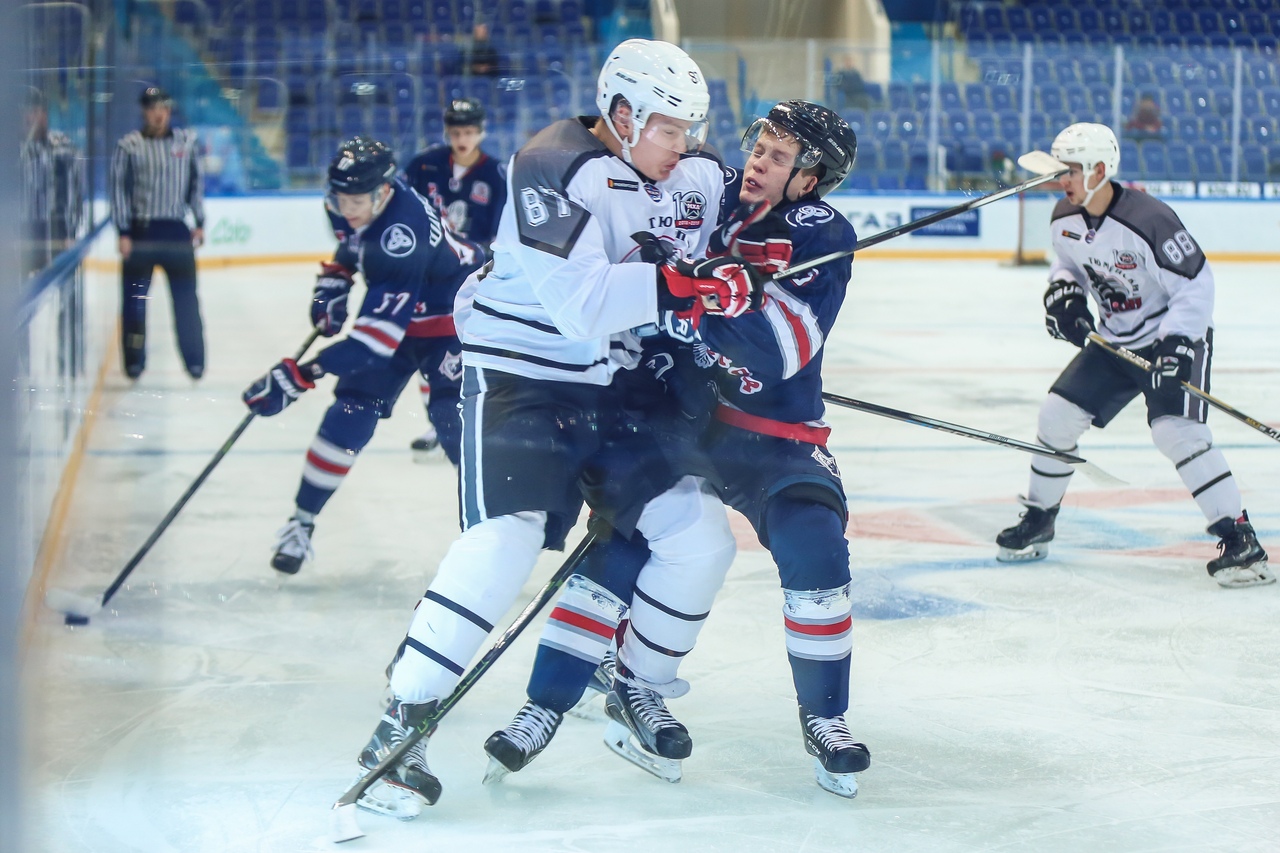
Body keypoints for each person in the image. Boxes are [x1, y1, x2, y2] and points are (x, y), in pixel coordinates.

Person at [347, 38, 763, 820]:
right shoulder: (551, 165)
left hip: (621, 388)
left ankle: (636, 684)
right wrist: (688, 287)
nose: (685, 144)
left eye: (691, 128)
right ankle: (401, 719)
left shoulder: (696, 172)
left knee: (699, 537)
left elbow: (761, 226)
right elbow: (583, 305)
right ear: (622, 114)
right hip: (523, 379)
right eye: (671, 127)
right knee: (506, 537)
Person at [482, 100, 869, 798]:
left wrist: (709, 301)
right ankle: (547, 704)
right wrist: (669, 289)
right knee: (624, 540)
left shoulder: (819, 232)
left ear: (810, 181)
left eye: (780, 157)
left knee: (815, 541)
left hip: (770, 435)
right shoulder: (709, 190)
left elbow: (776, 351)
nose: (759, 161)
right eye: (761, 146)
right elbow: (629, 269)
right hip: (679, 420)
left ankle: (825, 717)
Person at [995, 122, 1271, 589]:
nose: (1062, 180)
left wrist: (1177, 345)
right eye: (1060, 170)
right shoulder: (1064, 217)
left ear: (1100, 171)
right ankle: (1040, 518)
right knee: (1056, 417)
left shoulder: (1149, 219)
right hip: (1114, 341)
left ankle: (1240, 539)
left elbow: (1196, 284)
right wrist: (1064, 294)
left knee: (1176, 431)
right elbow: (1068, 263)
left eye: (1071, 170)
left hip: (1170, 336)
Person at [243, 136, 483, 575]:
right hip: (402, 314)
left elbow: (373, 344)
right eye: (341, 199)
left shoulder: (402, 234)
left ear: (383, 192)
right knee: (351, 410)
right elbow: (352, 244)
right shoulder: (345, 204)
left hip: (454, 317)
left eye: (356, 201)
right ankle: (301, 523)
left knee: (453, 420)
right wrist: (335, 280)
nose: (347, 208)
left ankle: (491, 532)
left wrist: (302, 374)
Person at [403, 98, 508, 460]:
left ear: (481, 132)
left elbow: (501, 231)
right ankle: (439, 422)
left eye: (469, 132)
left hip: (472, 277)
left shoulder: (496, 174)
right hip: (427, 276)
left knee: (466, 349)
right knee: (428, 350)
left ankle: (472, 419)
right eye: (456, 132)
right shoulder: (424, 165)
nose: (462, 139)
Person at [109, 86, 206, 380]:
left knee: (187, 302)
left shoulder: (186, 142)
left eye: (163, 108)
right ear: (144, 111)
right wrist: (123, 231)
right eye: (152, 108)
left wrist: (199, 221)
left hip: (176, 231)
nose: (159, 114)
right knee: (135, 303)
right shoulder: (129, 146)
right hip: (141, 233)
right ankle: (134, 362)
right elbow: (119, 190)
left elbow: (195, 184)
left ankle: (194, 361)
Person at [20, 86, 83, 277]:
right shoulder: (8, 149)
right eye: (26, 112)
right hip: (20, 230)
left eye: (36, 111)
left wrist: (70, 233)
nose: (31, 118)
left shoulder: (63, 146)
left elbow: (74, 192)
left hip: (54, 230)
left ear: (45, 114)